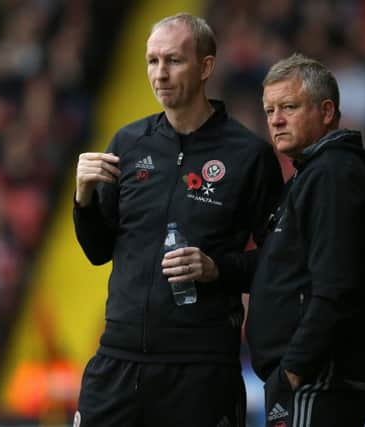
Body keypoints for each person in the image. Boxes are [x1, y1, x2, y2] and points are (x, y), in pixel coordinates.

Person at [73, 13, 282, 427]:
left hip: (200, 368)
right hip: (119, 361)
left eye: (173, 61)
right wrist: (83, 200)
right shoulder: (128, 144)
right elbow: (98, 251)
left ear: (206, 67)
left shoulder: (248, 155)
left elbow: (280, 263)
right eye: (152, 61)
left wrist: (216, 269)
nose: (160, 74)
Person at [246, 53, 365, 427]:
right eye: (269, 110)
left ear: (326, 111)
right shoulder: (313, 175)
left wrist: (293, 370)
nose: (276, 119)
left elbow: (335, 285)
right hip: (315, 376)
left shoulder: (332, 175)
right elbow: (286, 269)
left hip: (319, 378)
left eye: (289, 107)